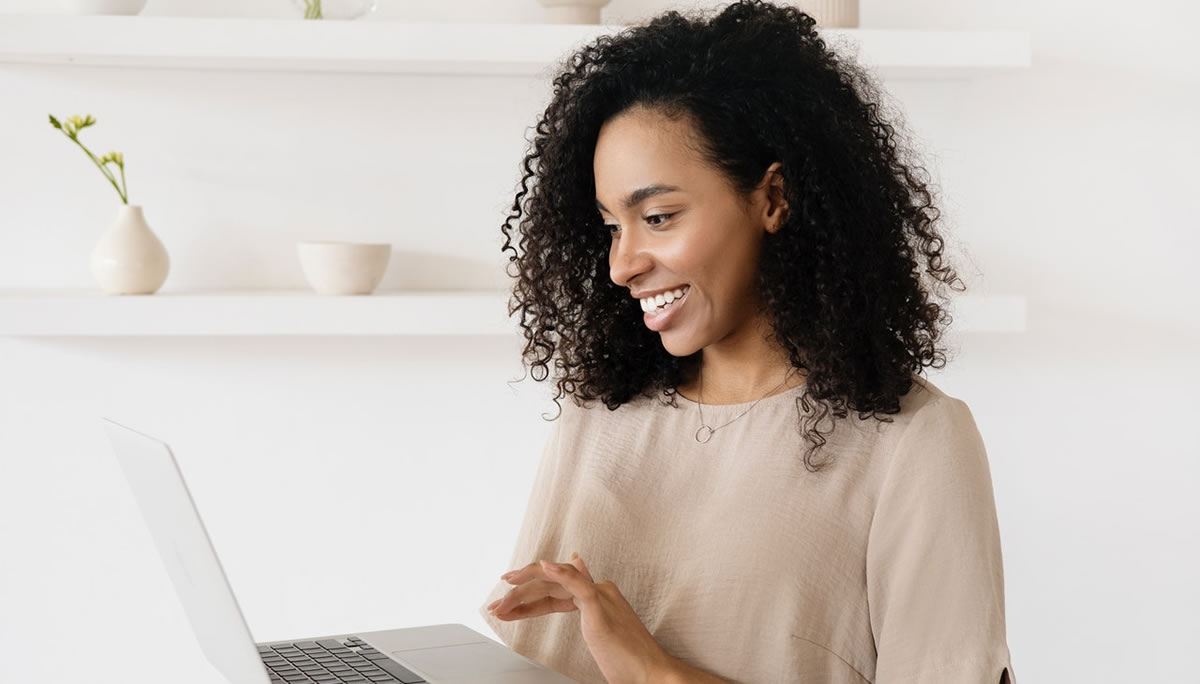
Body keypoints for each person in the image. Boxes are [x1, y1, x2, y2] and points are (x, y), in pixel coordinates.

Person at [478, 1, 1016, 682]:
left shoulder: (912, 442)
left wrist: (657, 674)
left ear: (773, 198)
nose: (623, 264)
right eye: (613, 226)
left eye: (658, 216)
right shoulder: (600, 419)